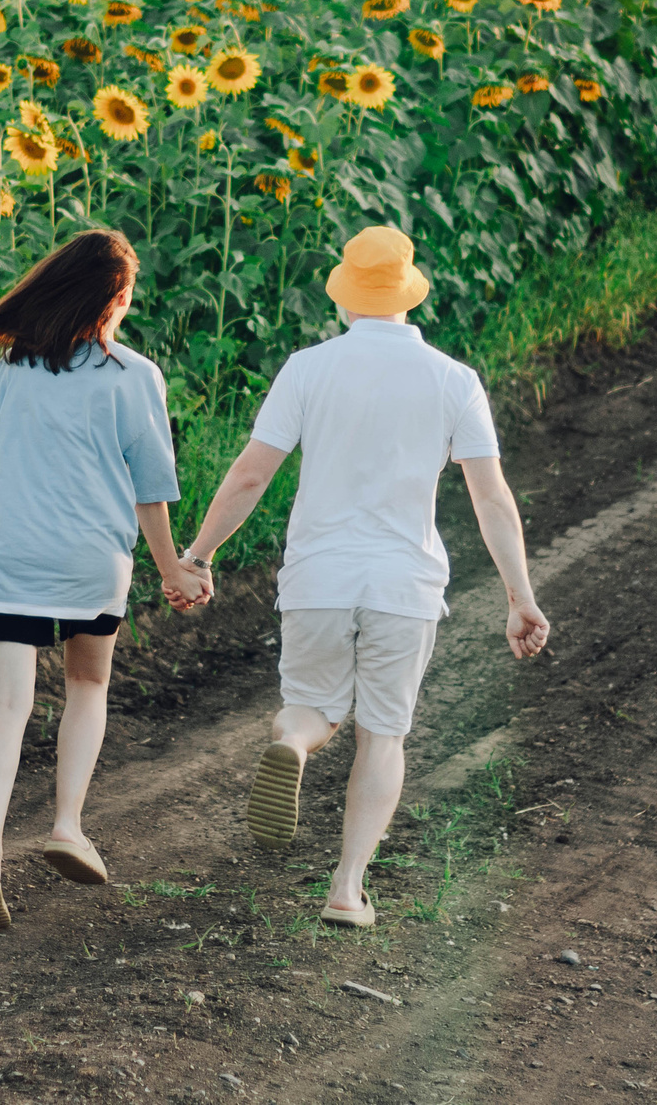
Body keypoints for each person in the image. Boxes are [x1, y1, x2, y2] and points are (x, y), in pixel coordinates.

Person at [179, 225, 549, 927]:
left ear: (346, 295)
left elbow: (252, 473)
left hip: (319, 576)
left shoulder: (307, 368)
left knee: (311, 708)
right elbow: (492, 498)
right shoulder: (453, 379)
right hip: (404, 585)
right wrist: (519, 596)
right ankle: (347, 889)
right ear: (409, 294)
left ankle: (292, 745)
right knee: (382, 735)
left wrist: (197, 556)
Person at [0, 228, 208, 931]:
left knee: (4, 707)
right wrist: (172, 570)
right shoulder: (134, 376)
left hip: (9, 560)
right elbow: (152, 490)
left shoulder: (12, 368)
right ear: (113, 300)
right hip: (90, 562)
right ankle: (66, 826)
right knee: (87, 684)